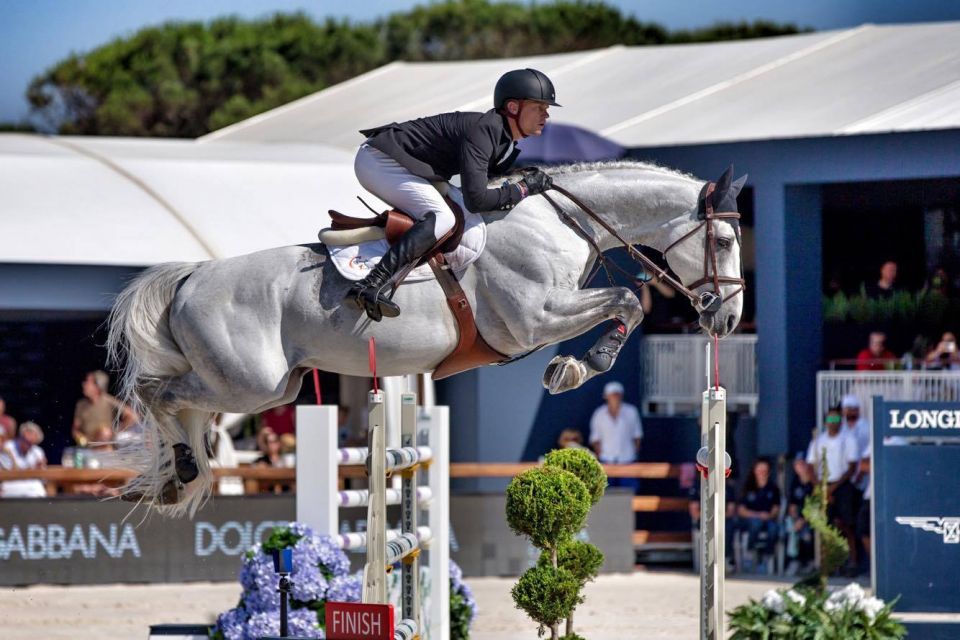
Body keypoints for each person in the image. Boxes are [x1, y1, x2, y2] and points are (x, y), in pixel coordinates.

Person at [346, 68, 559, 321]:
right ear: (513, 107)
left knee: (456, 211)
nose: (546, 114)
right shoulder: (484, 131)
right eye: (539, 107)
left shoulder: (500, 137)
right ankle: (369, 284)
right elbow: (477, 199)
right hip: (380, 161)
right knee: (442, 217)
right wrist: (523, 188)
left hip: (408, 166)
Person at [806, 407, 860, 575]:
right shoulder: (818, 442)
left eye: (836, 420)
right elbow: (810, 466)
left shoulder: (848, 439)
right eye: (830, 420)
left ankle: (852, 561)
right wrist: (821, 487)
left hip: (842, 485)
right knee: (825, 526)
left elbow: (852, 467)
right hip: (823, 484)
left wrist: (833, 488)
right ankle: (828, 563)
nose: (832, 424)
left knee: (846, 524)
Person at [589, 381, 643, 492]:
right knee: (606, 495)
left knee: (629, 494)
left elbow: (637, 436)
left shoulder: (631, 411)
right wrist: (601, 456)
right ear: (606, 396)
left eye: (617, 394)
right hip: (606, 461)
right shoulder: (599, 414)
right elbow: (595, 439)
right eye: (612, 394)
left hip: (628, 460)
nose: (615, 397)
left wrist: (633, 454)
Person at [72, 370, 137, 447]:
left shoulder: (108, 401)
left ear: (97, 386)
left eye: (88, 382)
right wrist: (82, 440)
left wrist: (115, 432)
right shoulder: (81, 405)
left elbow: (132, 415)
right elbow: (75, 429)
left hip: (105, 449)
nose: (84, 384)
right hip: (89, 449)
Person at [736, 458, 781, 569]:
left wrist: (768, 516)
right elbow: (741, 511)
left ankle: (766, 559)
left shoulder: (773, 489)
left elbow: (775, 510)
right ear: (754, 471)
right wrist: (757, 515)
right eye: (759, 470)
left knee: (774, 528)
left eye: (764, 470)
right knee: (756, 523)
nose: (762, 473)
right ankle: (749, 555)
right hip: (750, 520)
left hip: (768, 520)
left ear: (769, 472)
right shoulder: (748, 487)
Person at [784, 453, 815, 575]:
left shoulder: (813, 482)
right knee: (789, 530)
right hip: (798, 519)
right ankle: (793, 561)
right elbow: (792, 505)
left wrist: (802, 520)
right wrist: (795, 519)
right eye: (797, 464)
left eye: (802, 463)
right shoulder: (795, 482)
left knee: (806, 534)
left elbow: (814, 506)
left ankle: (808, 562)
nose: (800, 467)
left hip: (810, 519)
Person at [1, 421, 48, 498]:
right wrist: (32, 470)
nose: (28, 443)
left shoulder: (37, 451)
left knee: (39, 489)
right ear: (21, 436)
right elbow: (9, 472)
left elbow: (44, 479)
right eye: (25, 440)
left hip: (31, 484)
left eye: (31, 442)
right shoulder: (7, 447)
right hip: (10, 483)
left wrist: (40, 469)